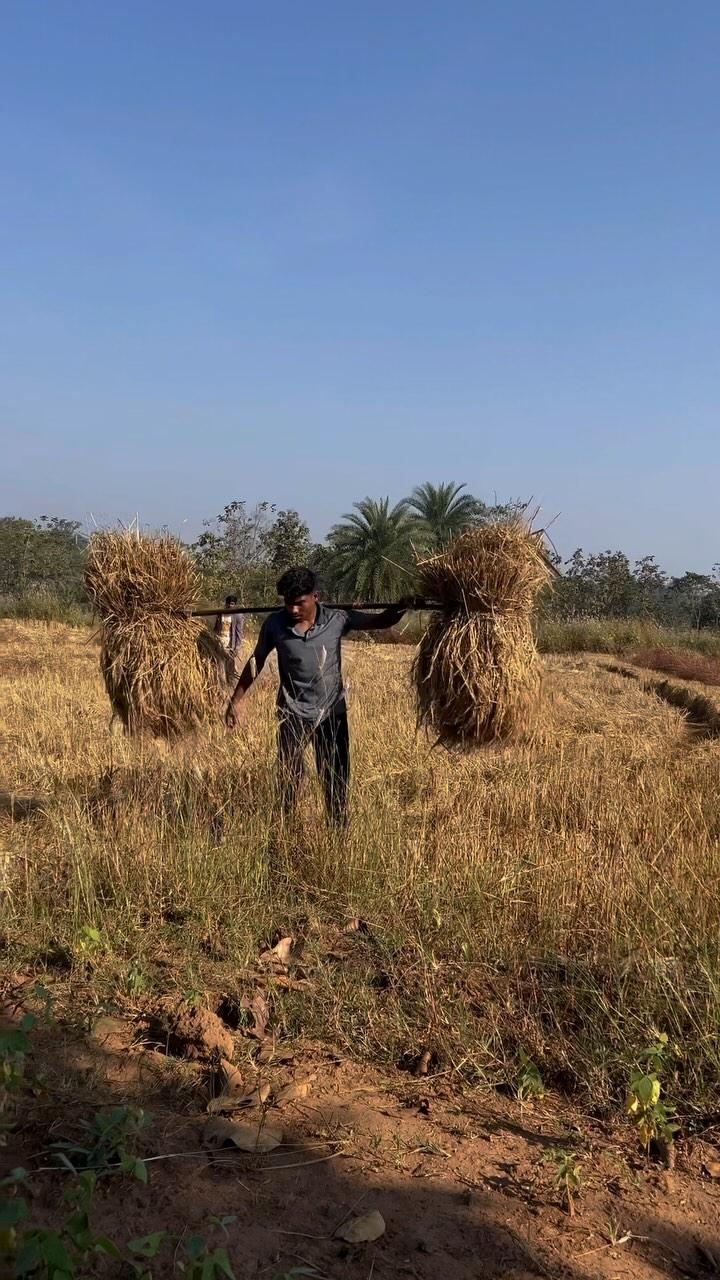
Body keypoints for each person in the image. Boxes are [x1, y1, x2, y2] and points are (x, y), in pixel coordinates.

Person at [225, 567, 416, 826]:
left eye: (299, 603)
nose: (293, 610)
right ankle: (288, 830)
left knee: (335, 779)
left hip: (331, 713)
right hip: (291, 714)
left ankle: (337, 831)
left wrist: (401, 608)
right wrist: (236, 700)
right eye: (288, 604)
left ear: (316, 596)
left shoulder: (338, 619)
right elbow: (256, 661)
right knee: (289, 778)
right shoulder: (275, 624)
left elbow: (378, 622)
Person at [214, 595, 245, 677]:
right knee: (219, 665)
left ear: (235, 604)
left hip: (230, 644)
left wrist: (237, 647)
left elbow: (239, 632)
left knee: (230, 666)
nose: (230, 606)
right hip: (220, 642)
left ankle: (231, 683)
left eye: (232, 604)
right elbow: (216, 628)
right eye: (229, 604)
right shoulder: (221, 614)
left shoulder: (238, 616)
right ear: (226, 603)